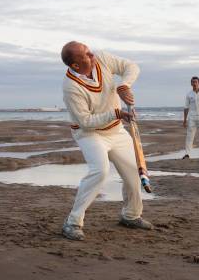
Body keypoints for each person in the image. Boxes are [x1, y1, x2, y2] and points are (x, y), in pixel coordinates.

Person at [60, 41, 153, 241]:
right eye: (87, 54)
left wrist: (124, 85)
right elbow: (86, 122)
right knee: (100, 171)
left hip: (116, 131)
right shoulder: (70, 87)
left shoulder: (101, 58)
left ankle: (131, 215)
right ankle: (72, 222)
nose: (92, 54)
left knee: (133, 173)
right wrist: (116, 113)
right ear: (76, 65)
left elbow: (132, 67)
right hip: (90, 134)